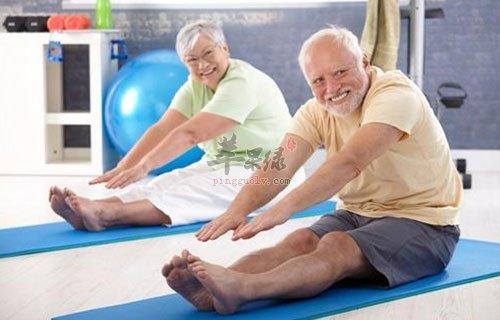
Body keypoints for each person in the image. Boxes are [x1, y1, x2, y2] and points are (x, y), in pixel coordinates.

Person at [162, 25, 463, 314]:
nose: (331, 88)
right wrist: (238, 209)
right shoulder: (315, 111)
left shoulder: (396, 96)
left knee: (337, 244)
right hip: (358, 214)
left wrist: (283, 208)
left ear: (365, 62)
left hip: (425, 225)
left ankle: (243, 289)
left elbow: (350, 162)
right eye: (318, 81)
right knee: (300, 241)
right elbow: (278, 165)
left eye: (340, 72)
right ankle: (210, 289)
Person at [48, 20, 305, 231]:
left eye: (208, 53)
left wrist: (145, 165)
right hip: (227, 163)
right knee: (168, 181)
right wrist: (125, 166)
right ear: (184, 62)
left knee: (197, 190)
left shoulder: (241, 82)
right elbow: (162, 128)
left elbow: (191, 134)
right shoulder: (196, 86)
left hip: (274, 171)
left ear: (224, 48)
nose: (202, 65)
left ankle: (108, 215)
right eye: (192, 60)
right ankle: (93, 207)